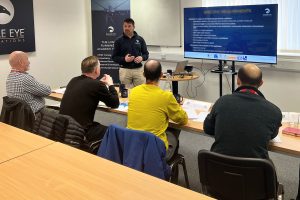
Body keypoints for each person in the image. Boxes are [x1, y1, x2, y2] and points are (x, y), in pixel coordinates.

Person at [204, 64, 282, 159]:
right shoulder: (274, 111)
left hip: (219, 168)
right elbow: (272, 136)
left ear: (237, 80)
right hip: (255, 171)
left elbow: (208, 128)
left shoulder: (222, 101)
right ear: (261, 83)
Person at [127, 59, 188, 160]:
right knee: (175, 131)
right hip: (154, 151)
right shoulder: (166, 97)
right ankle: (168, 170)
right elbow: (183, 120)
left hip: (133, 145)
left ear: (143, 74)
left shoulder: (133, 92)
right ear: (161, 75)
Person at [59, 56, 119, 145]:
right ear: (96, 70)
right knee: (113, 132)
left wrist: (100, 84)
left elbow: (89, 87)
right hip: (81, 130)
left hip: (64, 127)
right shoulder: (97, 85)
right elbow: (115, 103)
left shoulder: (74, 80)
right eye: (99, 66)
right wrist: (110, 84)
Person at [112, 18, 149, 88]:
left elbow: (146, 54)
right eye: (125, 26)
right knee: (125, 93)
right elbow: (114, 57)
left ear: (134, 27)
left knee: (140, 91)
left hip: (138, 70)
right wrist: (124, 59)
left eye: (129, 26)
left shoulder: (140, 39)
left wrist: (142, 58)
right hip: (125, 70)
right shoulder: (118, 41)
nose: (127, 28)